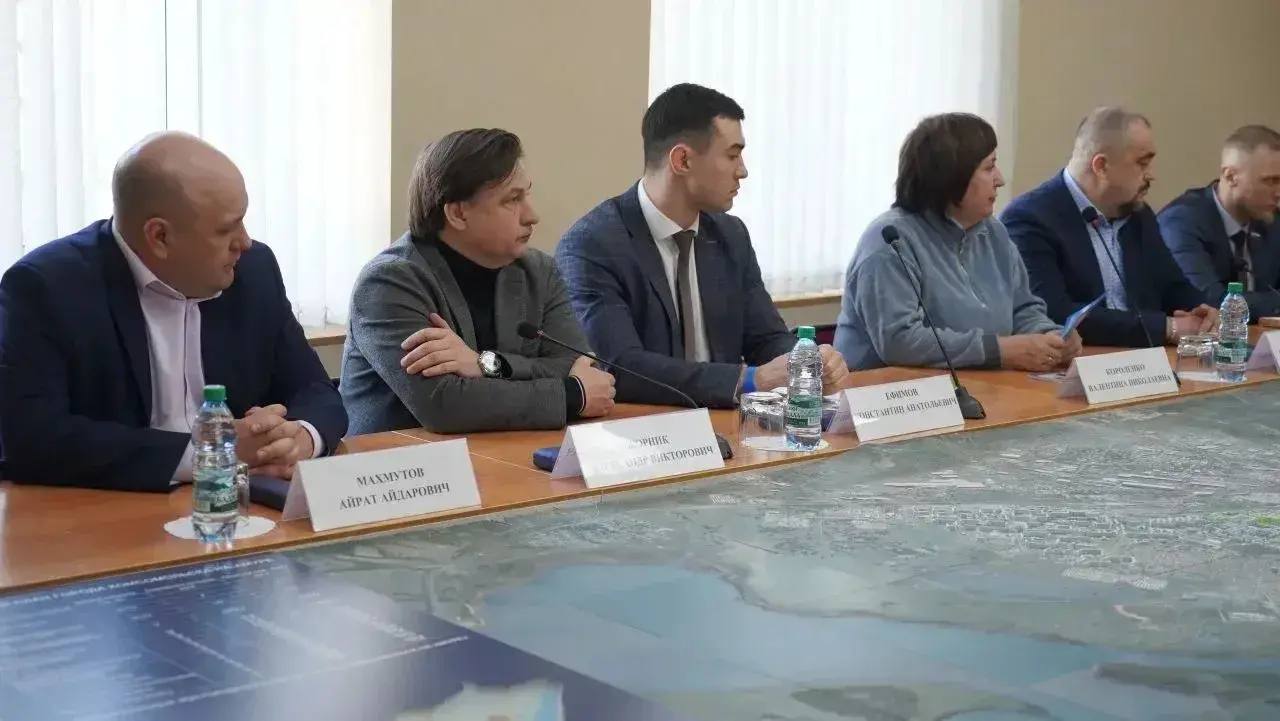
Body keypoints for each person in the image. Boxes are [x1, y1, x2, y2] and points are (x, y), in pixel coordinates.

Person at [0, 132, 347, 492]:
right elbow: (31, 437)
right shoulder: (46, 286)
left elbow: (315, 390)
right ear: (160, 237)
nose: (244, 241)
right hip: (113, 507)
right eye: (226, 229)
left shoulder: (253, 270)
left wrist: (301, 438)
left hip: (239, 502)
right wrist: (209, 452)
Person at [556, 83, 847, 408]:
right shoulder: (593, 244)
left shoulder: (730, 235)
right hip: (647, 427)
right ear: (682, 160)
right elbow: (621, 367)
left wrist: (807, 361)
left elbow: (765, 338)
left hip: (728, 424)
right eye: (732, 155)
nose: (743, 171)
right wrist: (750, 380)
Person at [341, 128, 616, 435]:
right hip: (405, 461)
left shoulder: (538, 271)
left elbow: (584, 368)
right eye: (512, 200)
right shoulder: (389, 283)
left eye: (527, 195)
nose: (532, 215)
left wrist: (483, 363)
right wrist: (571, 395)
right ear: (458, 213)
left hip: (506, 452)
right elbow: (445, 405)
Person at [834, 113, 1079, 372]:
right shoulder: (889, 241)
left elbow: (1022, 309)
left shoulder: (994, 232)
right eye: (989, 168)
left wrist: (1050, 336)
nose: (1000, 179)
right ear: (952, 177)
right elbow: (900, 341)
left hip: (981, 385)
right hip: (890, 392)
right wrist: (1000, 351)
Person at [1002, 106, 1214, 348]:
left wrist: (1203, 312)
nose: (1151, 175)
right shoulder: (1029, 219)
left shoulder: (1138, 214)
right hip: (1082, 360)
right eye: (1142, 163)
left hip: (1147, 360)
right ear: (1101, 166)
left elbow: (1172, 285)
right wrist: (1166, 328)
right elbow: (1055, 314)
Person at [1159, 124, 1280, 320]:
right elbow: (1209, 303)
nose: (1278, 193)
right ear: (1231, 176)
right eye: (1270, 181)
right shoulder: (1181, 222)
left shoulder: (1271, 220)